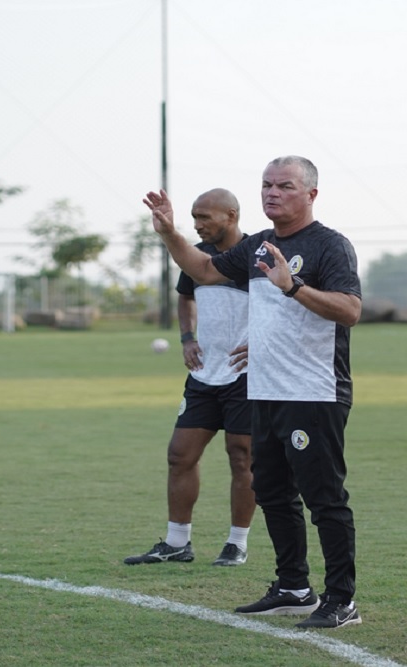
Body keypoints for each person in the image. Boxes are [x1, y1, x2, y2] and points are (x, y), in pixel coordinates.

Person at [144, 155, 363, 629]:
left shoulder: (330, 245)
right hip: (263, 390)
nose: (272, 193)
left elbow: (349, 310)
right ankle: (293, 587)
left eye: (285, 185)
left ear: (311, 195)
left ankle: (341, 599)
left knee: (324, 498)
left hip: (314, 392)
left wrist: (293, 285)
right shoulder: (259, 245)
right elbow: (202, 270)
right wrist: (169, 233)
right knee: (272, 491)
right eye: (266, 184)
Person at [124, 188, 255, 567]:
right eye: (194, 217)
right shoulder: (196, 257)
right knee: (179, 454)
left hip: (246, 374)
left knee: (241, 457)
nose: (198, 224)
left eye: (205, 217)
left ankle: (237, 543)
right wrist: (186, 338)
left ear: (231, 216)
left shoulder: (253, 255)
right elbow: (186, 297)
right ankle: (177, 542)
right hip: (204, 373)